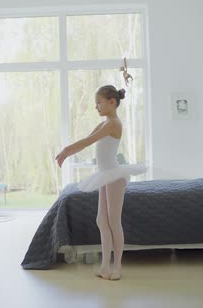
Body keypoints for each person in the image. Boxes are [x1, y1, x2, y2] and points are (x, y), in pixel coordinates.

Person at [55, 85, 146, 281]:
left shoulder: (113, 123)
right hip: (106, 174)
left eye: (99, 102)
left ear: (111, 102)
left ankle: (118, 267)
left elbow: (88, 142)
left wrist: (65, 151)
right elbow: (87, 139)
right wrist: (68, 151)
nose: (96, 106)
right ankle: (105, 266)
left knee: (113, 221)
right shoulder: (106, 122)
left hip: (114, 175)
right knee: (101, 220)